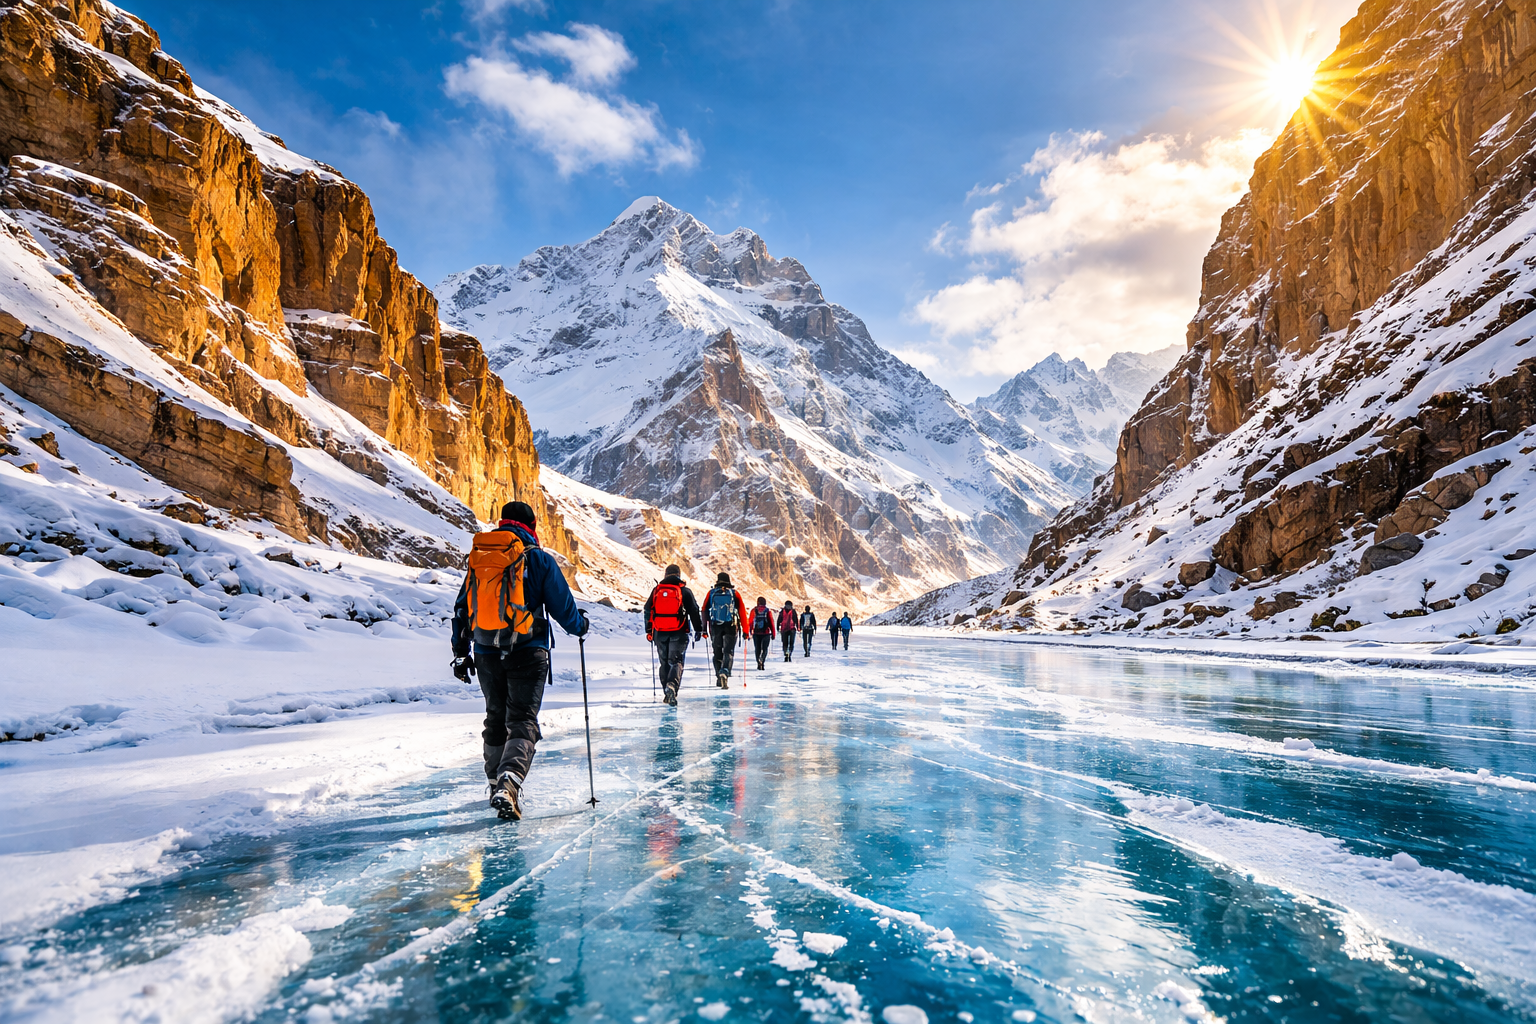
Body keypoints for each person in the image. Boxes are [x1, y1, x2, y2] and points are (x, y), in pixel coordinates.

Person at [452, 500, 589, 821]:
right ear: (533, 527)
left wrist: (460, 653)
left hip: (485, 652)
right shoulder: (538, 559)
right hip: (528, 652)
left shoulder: (480, 560)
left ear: (503, 523)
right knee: (523, 720)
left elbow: (461, 608)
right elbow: (564, 608)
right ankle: (508, 783)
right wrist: (581, 626)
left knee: (495, 718)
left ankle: (494, 783)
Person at [645, 564, 704, 707]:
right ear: (678, 574)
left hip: (660, 632)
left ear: (665, 575)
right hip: (679, 631)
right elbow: (694, 611)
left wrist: (649, 630)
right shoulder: (684, 591)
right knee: (676, 661)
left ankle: (666, 690)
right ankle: (672, 686)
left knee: (664, 663)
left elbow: (647, 609)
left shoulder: (657, 591)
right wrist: (698, 629)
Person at [703, 571, 749, 688]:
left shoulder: (711, 593)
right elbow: (742, 612)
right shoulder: (734, 594)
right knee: (728, 651)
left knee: (717, 652)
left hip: (715, 626)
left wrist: (704, 628)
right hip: (731, 626)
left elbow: (704, 610)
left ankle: (719, 675)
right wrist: (746, 630)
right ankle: (725, 672)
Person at [749, 596, 775, 669]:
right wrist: (773, 633)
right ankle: (762, 660)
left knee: (757, 648)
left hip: (756, 633)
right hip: (766, 633)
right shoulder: (767, 611)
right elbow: (771, 623)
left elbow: (750, 621)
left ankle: (758, 662)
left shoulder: (754, 610)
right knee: (765, 648)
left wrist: (749, 631)